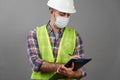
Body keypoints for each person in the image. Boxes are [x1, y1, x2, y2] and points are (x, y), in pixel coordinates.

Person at [27, 0, 86, 79]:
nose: (65, 17)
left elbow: (81, 71)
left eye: (68, 15)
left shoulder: (75, 36)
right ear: (52, 12)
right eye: (62, 14)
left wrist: (71, 74)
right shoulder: (34, 34)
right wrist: (66, 65)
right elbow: (36, 64)